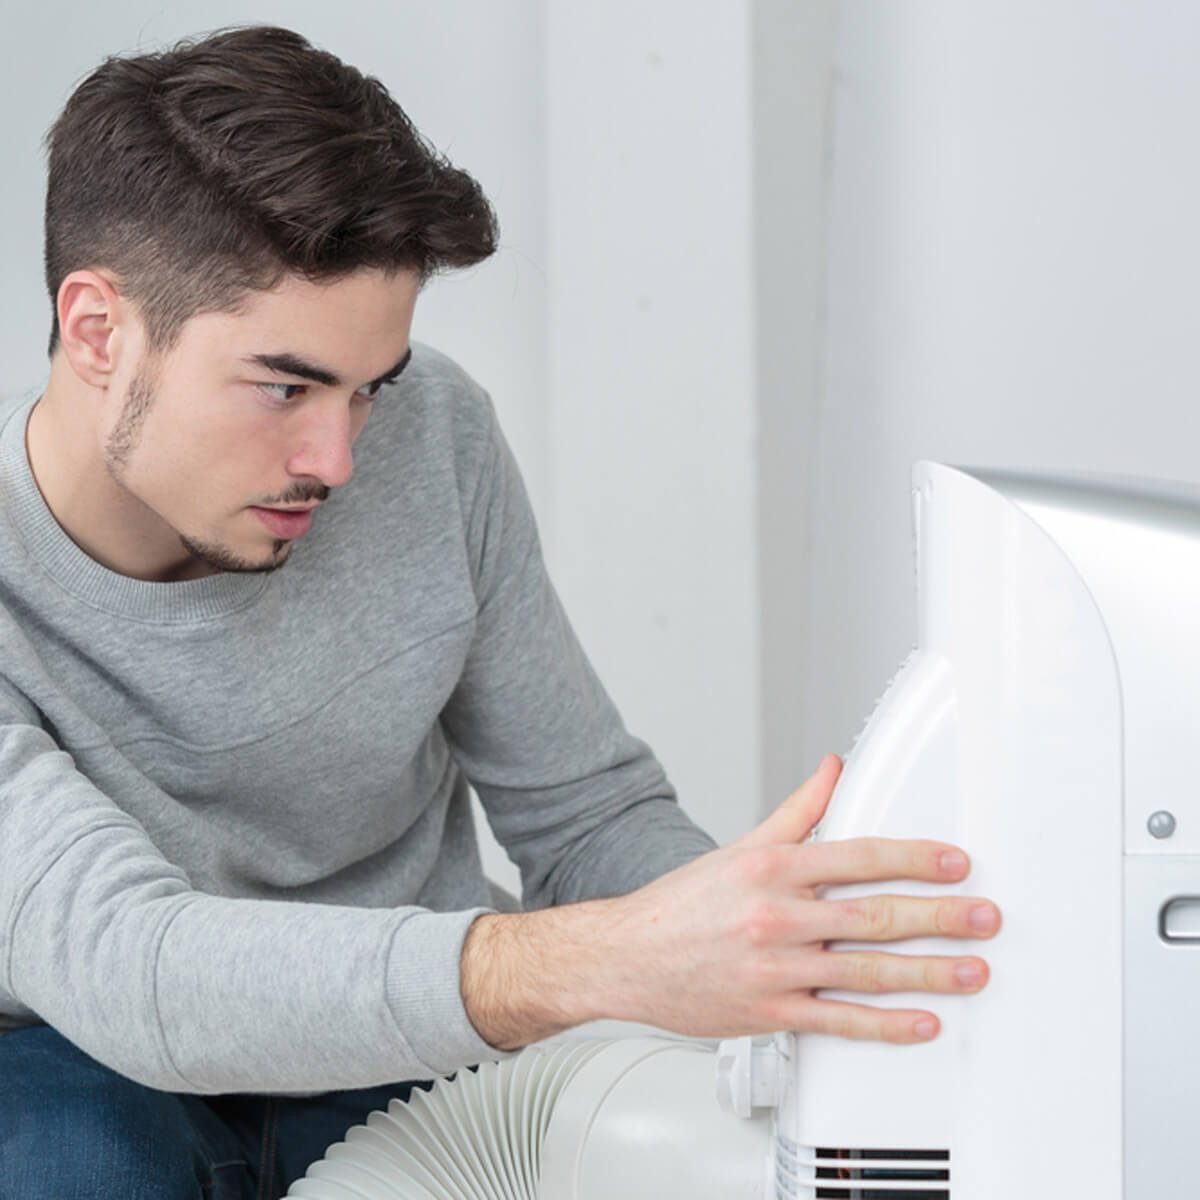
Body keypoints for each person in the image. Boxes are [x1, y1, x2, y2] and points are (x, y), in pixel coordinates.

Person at [0, 24, 1000, 1199]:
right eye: (285, 386)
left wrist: (765, 962)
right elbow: (132, 966)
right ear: (99, 329)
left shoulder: (439, 437)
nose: (337, 458)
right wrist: (603, 961)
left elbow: (583, 817)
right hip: (83, 1062)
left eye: (372, 387)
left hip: (409, 1055)